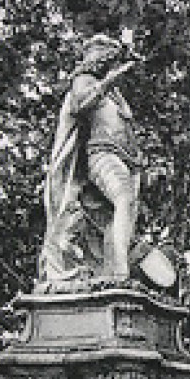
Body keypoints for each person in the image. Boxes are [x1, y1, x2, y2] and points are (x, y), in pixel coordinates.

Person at [40, 34, 144, 286]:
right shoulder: (84, 80)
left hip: (124, 159)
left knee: (116, 213)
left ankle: (111, 271)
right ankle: (119, 274)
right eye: (110, 59)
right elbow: (80, 105)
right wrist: (108, 82)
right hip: (101, 154)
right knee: (123, 199)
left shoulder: (116, 96)